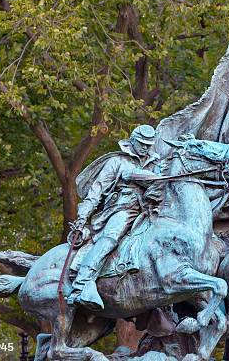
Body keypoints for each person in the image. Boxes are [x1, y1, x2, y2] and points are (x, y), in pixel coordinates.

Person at [67, 124, 163, 310]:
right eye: (141, 143)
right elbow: (97, 191)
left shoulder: (156, 163)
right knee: (111, 237)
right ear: (132, 141)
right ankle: (82, 283)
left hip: (151, 211)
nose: (145, 147)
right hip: (122, 208)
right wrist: (82, 218)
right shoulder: (117, 161)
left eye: (148, 144)